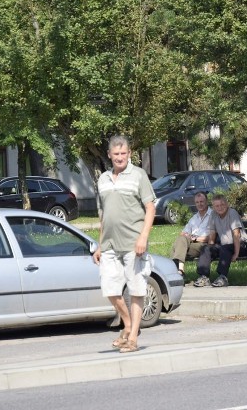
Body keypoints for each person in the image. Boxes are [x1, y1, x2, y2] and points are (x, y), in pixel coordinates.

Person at [92, 135, 156, 353]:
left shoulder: (138, 175)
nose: (119, 157)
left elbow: (150, 208)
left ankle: (133, 339)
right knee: (110, 288)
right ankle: (128, 325)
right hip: (109, 245)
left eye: (123, 153)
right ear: (109, 155)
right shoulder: (103, 179)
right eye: (115, 154)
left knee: (137, 289)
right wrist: (99, 245)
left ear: (129, 154)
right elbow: (104, 216)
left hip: (133, 243)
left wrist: (143, 237)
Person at [193, 194, 247, 288]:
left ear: (227, 204)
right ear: (213, 207)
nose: (220, 207)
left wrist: (236, 254)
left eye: (222, 204)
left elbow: (236, 234)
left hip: (240, 245)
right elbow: (212, 234)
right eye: (217, 206)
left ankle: (223, 277)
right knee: (206, 248)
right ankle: (204, 277)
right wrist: (210, 250)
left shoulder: (232, 213)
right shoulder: (213, 215)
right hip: (224, 246)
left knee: (225, 248)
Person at [170, 192, 215, 277]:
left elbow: (211, 237)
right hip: (190, 243)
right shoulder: (194, 218)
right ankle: (180, 270)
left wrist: (194, 238)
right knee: (180, 240)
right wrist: (189, 237)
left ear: (206, 202)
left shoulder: (213, 215)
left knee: (176, 247)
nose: (199, 204)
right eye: (197, 202)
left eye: (201, 201)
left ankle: (177, 273)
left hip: (204, 245)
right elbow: (183, 233)